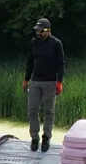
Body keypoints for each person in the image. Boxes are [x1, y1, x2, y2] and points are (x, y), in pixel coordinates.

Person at [23, 16, 65, 152]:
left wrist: (59, 82)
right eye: (37, 31)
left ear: (48, 30)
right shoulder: (34, 43)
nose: (39, 34)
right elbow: (30, 61)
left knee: (49, 111)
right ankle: (34, 138)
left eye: (41, 31)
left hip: (50, 81)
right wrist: (26, 79)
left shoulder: (56, 43)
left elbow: (61, 64)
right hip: (35, 81)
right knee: (32, 110)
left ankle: (46, 137)